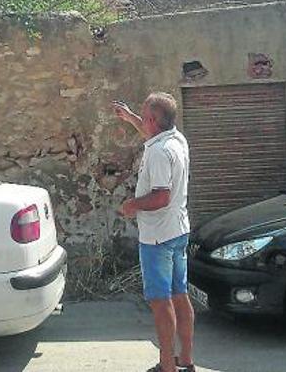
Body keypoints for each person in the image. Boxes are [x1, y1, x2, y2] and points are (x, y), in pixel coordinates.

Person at [112, 92, 195, 372]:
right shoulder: (176, 139)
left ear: (152, 120)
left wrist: (131, 205)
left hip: (157, 238)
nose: (141, 117)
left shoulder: (158, 152)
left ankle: (166, 366)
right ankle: (185, 361)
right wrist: (130, 118)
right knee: (179, 295)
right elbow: (151, 131)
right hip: (178, 230)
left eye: (143, 114)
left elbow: (161, 197)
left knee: (161, 303)